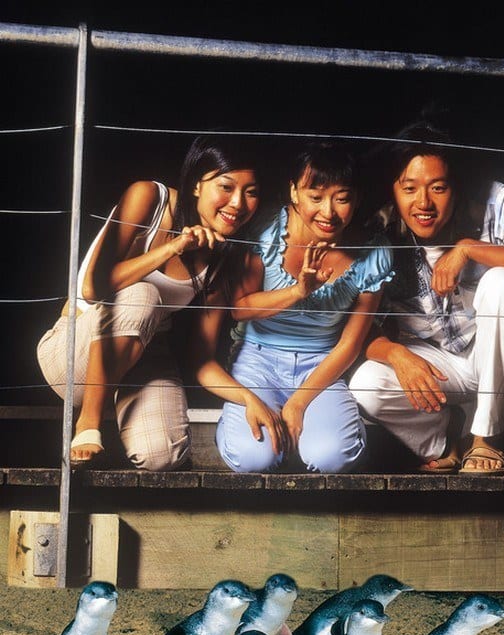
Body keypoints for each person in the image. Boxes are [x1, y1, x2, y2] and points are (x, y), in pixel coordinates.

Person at [349, 122, 504, 473]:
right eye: (409, 189)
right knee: (366, 384)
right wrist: (396, 354)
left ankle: (487, 440)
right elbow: (358, 330)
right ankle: (448, 437)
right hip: (440, 364)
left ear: (456, 185)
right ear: (393, 189)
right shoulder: (380, 229)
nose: (423, 203)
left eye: (438, 188)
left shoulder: (494, 202)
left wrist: (470, 249)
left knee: (502, 282)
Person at [36, 135, 265, 471]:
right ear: (197, 185)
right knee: (143, 293)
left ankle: (118, 409)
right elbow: (93, 286)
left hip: (142, 355)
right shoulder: (150, 198)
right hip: (74, 349)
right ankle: (88, 421)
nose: (238, 204)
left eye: (251, 192)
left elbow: (201, 359)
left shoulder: (223, 257)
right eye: (226, 187)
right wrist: (173, 248)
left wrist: (248, 398)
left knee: (164, 455)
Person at [203, 140, 394, 473]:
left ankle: (313, 432)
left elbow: (350, 345)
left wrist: (299, 403)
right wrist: (299, 290)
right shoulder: (266, 226)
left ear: (357, 199)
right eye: (315, 196)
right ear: (294, 192)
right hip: (257, 359)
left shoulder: (373, 251)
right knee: (254, 459)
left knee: (332, 457)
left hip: (321, 363)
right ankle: (238, 431)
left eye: (342, 198)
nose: (328, 212)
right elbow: (240, 308)